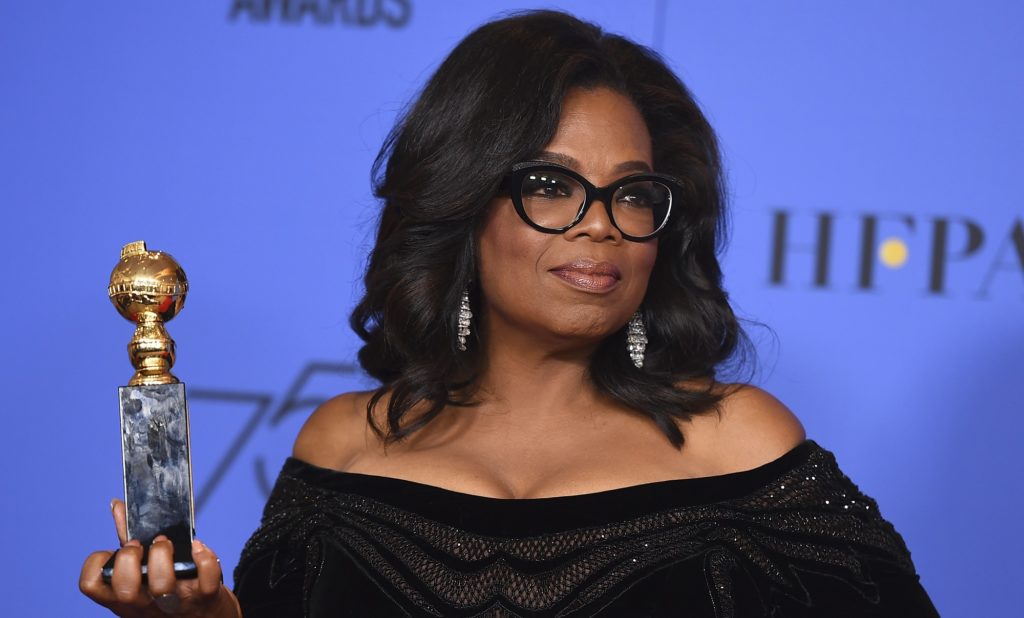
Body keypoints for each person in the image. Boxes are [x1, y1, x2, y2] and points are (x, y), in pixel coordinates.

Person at [80, 10, 939, 617]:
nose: (600, 222)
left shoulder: (741, 445)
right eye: (548, 185)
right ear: (463, 204)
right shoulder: (343, 447)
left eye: (632, 195)